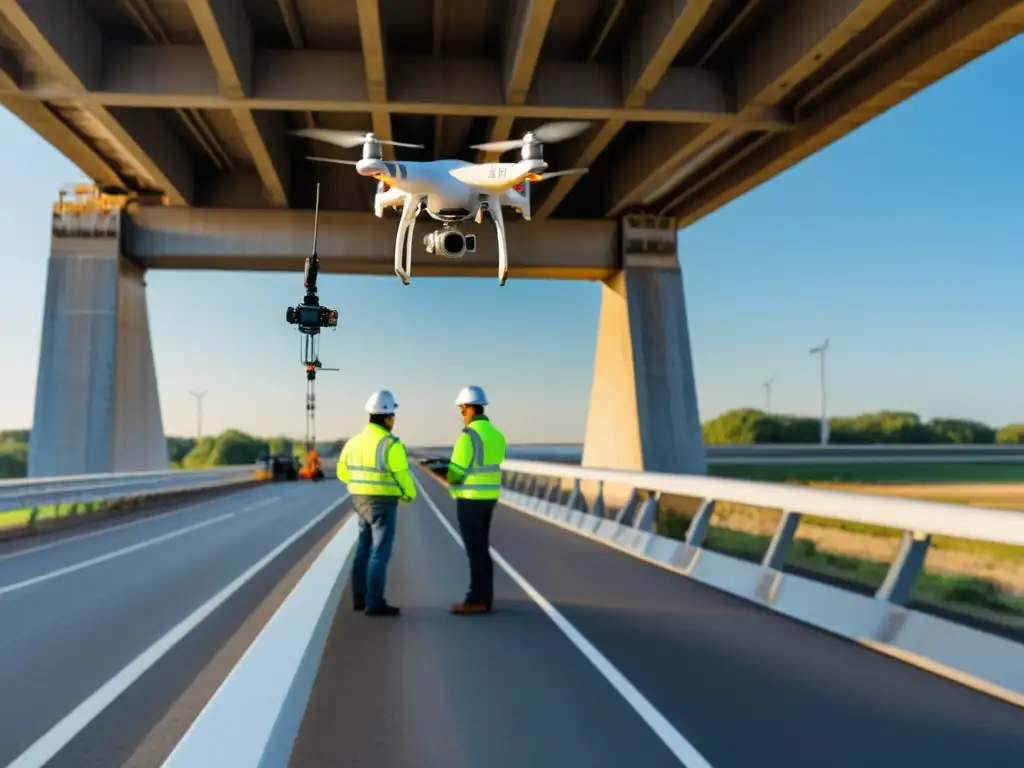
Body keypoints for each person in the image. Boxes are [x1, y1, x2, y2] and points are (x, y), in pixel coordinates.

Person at [337, 389, 416, 616]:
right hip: (384, 503)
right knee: (379, 553)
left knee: (363, 548)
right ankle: (375, 602)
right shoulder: (391, 444)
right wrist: (409, 494)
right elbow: (402, 475)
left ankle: (359, 599)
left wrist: (360, 485)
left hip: (360, 501)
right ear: (388, 418)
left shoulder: (353, 443)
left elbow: (343, 473)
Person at [446, 385, 506, 615]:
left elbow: (456, 472)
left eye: (462, 410)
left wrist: (452, 482)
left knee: (475, 550)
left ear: (470, 409)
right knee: (483, 548)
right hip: (490, 498)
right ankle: (486, 597)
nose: (462, 415)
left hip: (470, 499)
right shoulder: (497, 436)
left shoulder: (468, 436)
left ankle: (476, 599)